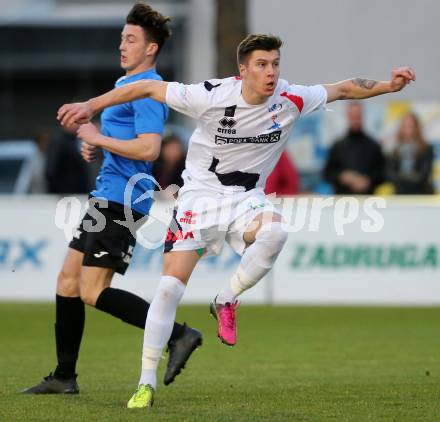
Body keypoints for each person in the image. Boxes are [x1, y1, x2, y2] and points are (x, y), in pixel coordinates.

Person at [57, 33, 415, 408]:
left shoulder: (290, 98)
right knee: (168, 291)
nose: (271, 72)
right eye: (261, 64)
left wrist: (390, 86)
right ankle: (145, 384)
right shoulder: (210, 95)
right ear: (243, 70)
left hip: (245, 200)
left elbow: (343, 89)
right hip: (198, 200)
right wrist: (91, 104)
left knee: (276, 231)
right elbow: (147, 86)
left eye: (275, 64)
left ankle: (225, 299)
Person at [23, 2, 202, 395]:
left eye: (131, 39)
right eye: (122, 37)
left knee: (90, 290)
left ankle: (179, 334)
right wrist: (100, 148)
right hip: (105, 196)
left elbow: (151, 149)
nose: (122, 45)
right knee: (67, 281)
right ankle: (64, 376)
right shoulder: (123, 88)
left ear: (150, 48)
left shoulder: (147, 90)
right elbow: (125, 144)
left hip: (122, 203)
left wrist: (98, 138)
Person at [323, 102, 386, 194]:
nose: (355, 120)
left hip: (368, 201)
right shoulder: (338, 146)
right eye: (352, 116)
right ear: (347, 117)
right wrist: (342, 176)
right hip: (342, 201)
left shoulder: (373, 145)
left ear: (362, 117)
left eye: (358, 116)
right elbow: (327, 174)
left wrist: (368, 180)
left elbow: (382, 173)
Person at [387, 111, 434, 194]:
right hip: (400, 192)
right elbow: (390, 174)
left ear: (417, 128)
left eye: (411, 126)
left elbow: (424, 175)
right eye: (405, 126)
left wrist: (402, 177)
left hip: (421, 193)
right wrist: (408, 177)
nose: (408, 130)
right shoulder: (395, 150)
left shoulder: (426, 149)